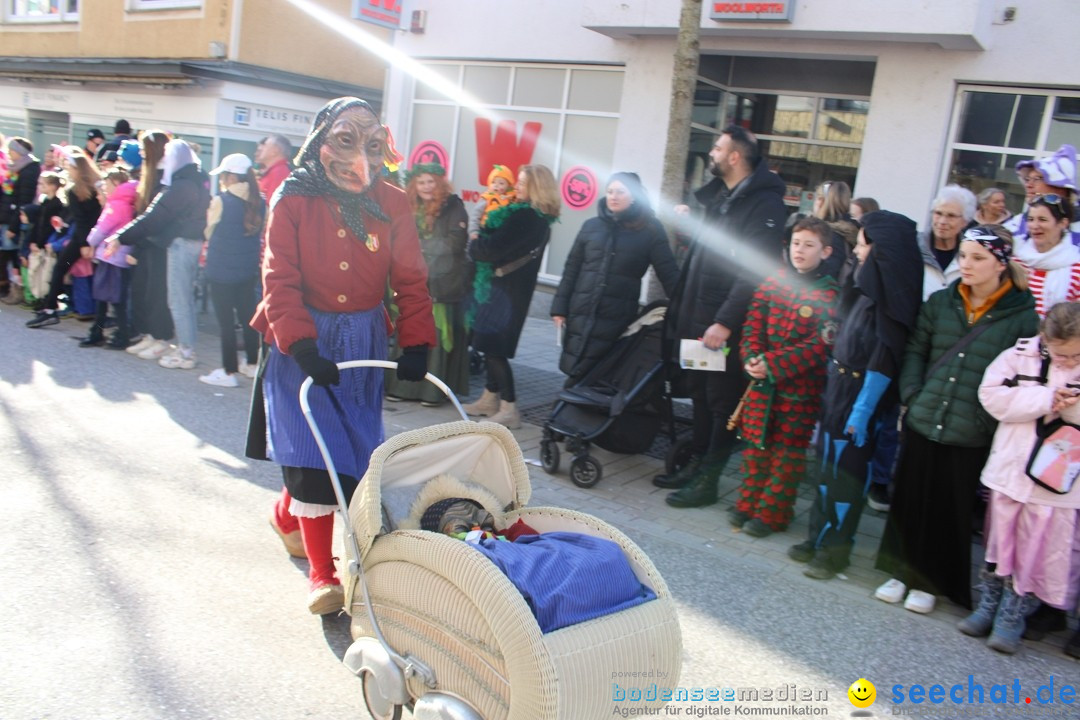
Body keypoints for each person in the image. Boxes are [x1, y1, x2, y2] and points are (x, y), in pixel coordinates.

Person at [247, 97, 434, 615]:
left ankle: (287, 516)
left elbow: (411, 277)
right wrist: (302, 343)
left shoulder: (393, 202)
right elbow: (277, 276)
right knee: (310, 456)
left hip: (363, 340)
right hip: (300, 340)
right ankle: (322, 572)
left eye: (372, 147)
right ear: (320, 142)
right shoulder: (292, 197)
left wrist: (417, 339)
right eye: (347, 142)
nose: (361, 161)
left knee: (350, 453)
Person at [874, 225, 1038, 614]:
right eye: (964, 256)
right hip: (926, 414)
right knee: (909, 498)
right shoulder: (943, 302)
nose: (966, 264)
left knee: (950, 506)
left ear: (1001, 263)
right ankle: (900, 571)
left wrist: (987, 419)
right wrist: (913, 394)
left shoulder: (1022, 315)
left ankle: (930, 582)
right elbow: (916, 349)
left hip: (972, 427)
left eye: (978, 257)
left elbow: (1024, 375)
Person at [655, 124, 787, 506]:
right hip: (698, 319)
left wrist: (725, 322)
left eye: (717, 148)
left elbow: (754, 268)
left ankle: (708, 482)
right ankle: (695, 465)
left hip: (720, 326)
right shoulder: (723, 197)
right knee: (698, 394)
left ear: (734, 156)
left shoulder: (763, 204)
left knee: (718, 402)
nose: (711, 153)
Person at [787, 210, 923, 579]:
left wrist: (861, 412)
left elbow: (883, 360)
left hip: (861, 396)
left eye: (863, 245)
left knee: (846, 478)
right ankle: (818, 537)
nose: (857, 251)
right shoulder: (865, 288)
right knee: (826, 471)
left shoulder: (891, 303)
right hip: (838, 389)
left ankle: (835, 552)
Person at [963, 302, 1080, 656]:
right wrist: (1045, 399)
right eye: (1061, 354)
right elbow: (991, 396)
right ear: (1044, 339)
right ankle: (987, 606)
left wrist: (1070, 407)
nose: (1067, 362)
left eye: (1075, 355)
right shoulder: (1018, 355)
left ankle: (1012, 616)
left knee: (1033, 550)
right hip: (1011, 470)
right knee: (999, 542)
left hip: (1056, 482)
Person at [730, 216, 839, 537]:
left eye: (809, 245)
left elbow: (819, 343)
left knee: (786, 455)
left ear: (826, 251)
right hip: (762, 386)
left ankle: (773, 514)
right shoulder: (773, 281)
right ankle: (748, 504)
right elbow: (752, 325)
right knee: (755, 447)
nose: (800, 251)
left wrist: (773, 363)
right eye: (795, 243)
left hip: (798, 392)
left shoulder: (829, 294)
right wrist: (751, 358)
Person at [550, 172, 679, 384]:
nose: (613, 196)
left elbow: (669, 274)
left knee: (598, 372)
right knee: (575, 367)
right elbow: (572, 269)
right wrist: (559, 307)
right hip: (581, 311)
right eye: (610, 191)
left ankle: (568, 411)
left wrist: (685, 309)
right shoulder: (591, 226)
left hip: (616, 315)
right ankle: (569, 410)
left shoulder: (650, 230)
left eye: (620, 191)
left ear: (635, 196)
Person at [462, 164, 561, 429]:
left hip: (503, 292)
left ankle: (509, 407)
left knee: (494, 350)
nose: (516, 186)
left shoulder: (524, 217)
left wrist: (474, 242)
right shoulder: (541, 219)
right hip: (512, 290)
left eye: (521, 182)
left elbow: (491, 249)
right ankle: (489, 399)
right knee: (489, 344)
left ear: (536, 186)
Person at [110, 139, 210, 369]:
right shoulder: (193, 180)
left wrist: (120, 237)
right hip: (182, 242)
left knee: (178, 300)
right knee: (178, 299)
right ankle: (182, 348)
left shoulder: (182, 185)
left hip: (180, 244)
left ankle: (185, 352)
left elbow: (155, 217)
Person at [384, 162, 472, 404]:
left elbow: (456, 242)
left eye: (430, 181)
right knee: (408, 329)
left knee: (436, 335)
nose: (426, 187)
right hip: (412, 279)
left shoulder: (453, 206)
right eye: (421, 182)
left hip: (442, 283)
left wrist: (418, 246)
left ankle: (431, 392)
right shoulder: (408, 206)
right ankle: (402, 389)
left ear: (440, 183)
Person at [198, 153, 265, 388]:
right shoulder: (260, 201)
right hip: (247, 270)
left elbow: (207, 231)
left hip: (220, 271)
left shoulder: (221, 201)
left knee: (226, 323)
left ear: (230, 176)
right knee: (248, 318)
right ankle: (252, 363)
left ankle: (228, 371)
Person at [26, 148, 102, 329]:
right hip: (98, 235)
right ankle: (53, 308)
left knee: (60, 269)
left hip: (81, 238)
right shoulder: (97, 186)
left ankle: (50, 310)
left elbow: (82, 220)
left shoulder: (74, 191)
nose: (67, 169)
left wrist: (84, 243)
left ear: (77, 169)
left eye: (69, 167)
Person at [115, 131, 173, 358]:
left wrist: (136, 247)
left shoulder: (164, 175)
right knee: (142, 290)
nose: (139, 152)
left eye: (142, 148)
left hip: (157, 244)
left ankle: (161, 338)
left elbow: (156, 218)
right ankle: (149, 335)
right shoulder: (149, 174)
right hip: (145, 241)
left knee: (155, 293)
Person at [81, 168, 137, 349]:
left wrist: (90, 241)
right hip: (118, 256)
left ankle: (110, 334)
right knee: (112, 299)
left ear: (114, 183)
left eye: (106, 185)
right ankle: (113, 333)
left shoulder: (116, 204)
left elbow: (102, 228)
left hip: (111, 256)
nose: (104, 190)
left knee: (106, 299)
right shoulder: (129, 203)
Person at [1013, 194, 1080, 318]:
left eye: (1042, 219)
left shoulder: (1076, 267)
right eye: (1031, 219)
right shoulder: (1015, 260)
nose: (1034, 225)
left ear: (1063, 223)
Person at [1005, 144, 1078, 246]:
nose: (1028, 185)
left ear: (1061, 189)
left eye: (1037, 179)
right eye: (1027, 179)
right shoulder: (1015, 225)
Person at [1, 137, 40, 304]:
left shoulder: (29, 170)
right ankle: (11, 288)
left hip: (17, 220)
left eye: (11, 151)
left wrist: (14, 226)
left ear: (19, 152)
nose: (9, 154)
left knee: (14, 255)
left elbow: (23, 201)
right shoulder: (16, 168)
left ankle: (18, 290)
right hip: (8, 217)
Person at [467, 164, 516, 241]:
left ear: (508, 186)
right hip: (483, 230)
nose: (496, 185)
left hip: (499, 234)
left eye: (501, 183)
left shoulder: (511, 199)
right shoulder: (487, 197)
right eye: (493, 182)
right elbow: (475, 214)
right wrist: (473, 231)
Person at [254, 134, 292, 200]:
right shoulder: (274, 172)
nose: (262, 148)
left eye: (265, 145)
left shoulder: (280, 173)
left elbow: (273, 208)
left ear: (275, 151)